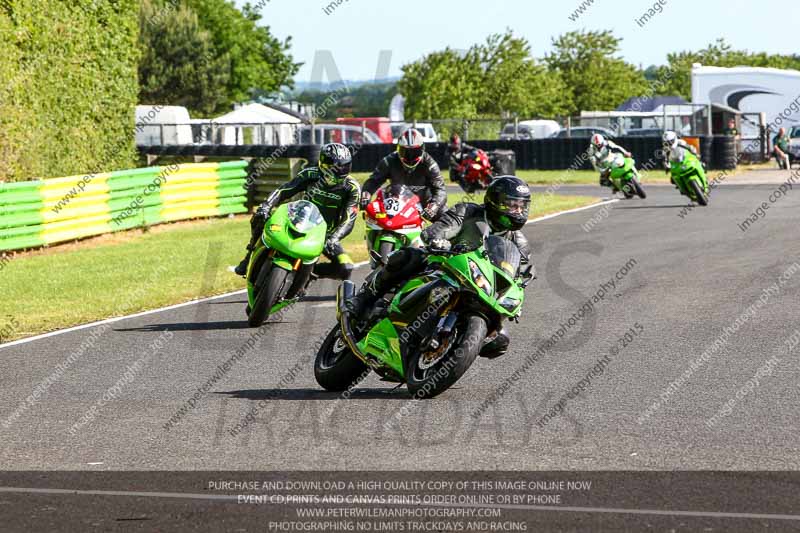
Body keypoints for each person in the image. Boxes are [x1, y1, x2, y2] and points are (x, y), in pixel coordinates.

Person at [348, 175, 533, 359]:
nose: (517, 211)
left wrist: (515, 293)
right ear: (494, 200)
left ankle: (450, 349)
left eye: (521, 206)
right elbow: (441, 228)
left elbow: (515, 276)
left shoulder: (520, 243)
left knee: (500, 340)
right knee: (407, 257)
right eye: (511, 205)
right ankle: (364, 298)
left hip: (479, 287)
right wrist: (440, 240)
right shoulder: (468, 211)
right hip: (443, 264)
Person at [234, 143, 360, 280]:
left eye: (345, 165)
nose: (341, 170)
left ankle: (309, 273)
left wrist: (335, 237)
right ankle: (249, 256)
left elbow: (349, 219)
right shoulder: (311, 174)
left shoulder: (352, 188)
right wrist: (266, 205)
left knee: (345, 267)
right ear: (324, 164)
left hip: (325, 235)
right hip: (298, 221)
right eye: (337, 166)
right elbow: (284, 190)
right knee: (260, 216)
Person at [361, 128, 447, 220]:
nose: (410, 156)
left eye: (415, 152)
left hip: (424, 200)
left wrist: (434, 206)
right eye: (405, 152)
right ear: (398, 149)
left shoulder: (430, 164)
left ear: (422, 149)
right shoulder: (389, 161)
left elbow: (440, 189)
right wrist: (366, 195)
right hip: (397, 200)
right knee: (373, 218)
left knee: (448, 219)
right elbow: (373, 181)